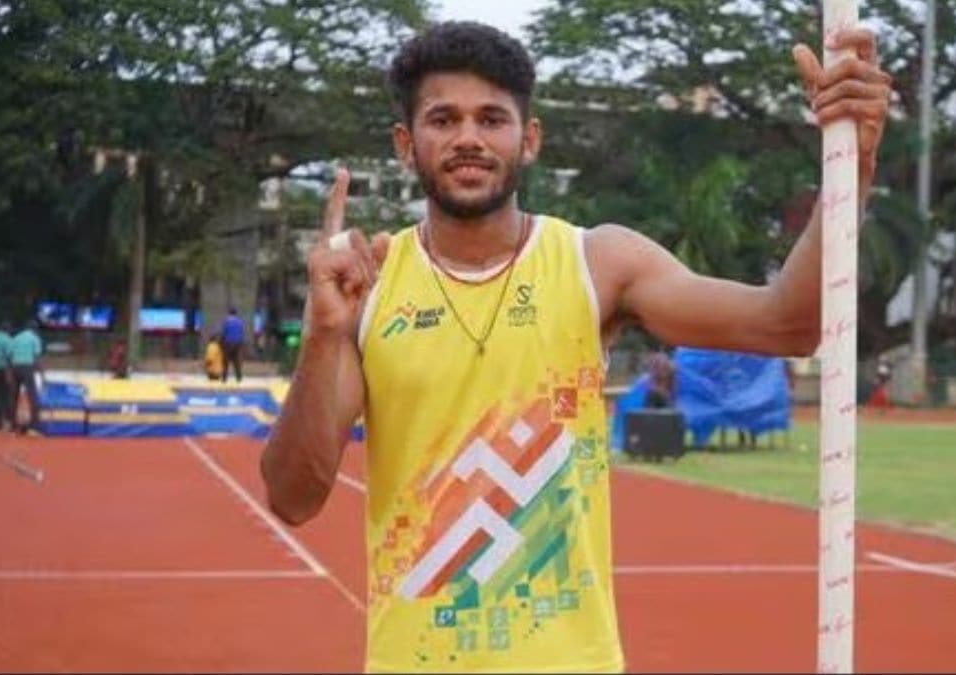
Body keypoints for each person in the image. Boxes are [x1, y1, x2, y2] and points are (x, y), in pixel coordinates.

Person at [260, 21, 890, 674]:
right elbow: (292, 497)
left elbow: (786, 324)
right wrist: (324, 334)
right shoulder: (368, 286)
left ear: (528, 139)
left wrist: (855, 167)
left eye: (491, 118)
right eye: (443, 119)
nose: (469, 138)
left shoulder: (597, 262)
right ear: (404, 143)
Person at [8, 318, 44, 434]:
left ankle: (12, 423)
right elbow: (37, 357)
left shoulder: (16, 338)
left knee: (13, 396)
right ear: (34, 329)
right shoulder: (34, 338)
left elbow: (9, 356)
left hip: (14, 368)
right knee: (32, 396)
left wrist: (9, 372)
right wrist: (42, 373)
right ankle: (34, 424)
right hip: (27, 368)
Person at [219, 308, 245, 383]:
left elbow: (224, 333)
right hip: (237, 343)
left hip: (228, 343)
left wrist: (221, 343)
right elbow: (241, 332)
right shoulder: (240, 322)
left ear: (229, 313)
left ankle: (224, 378)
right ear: (236, 313)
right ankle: (239, 378)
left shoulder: (227, 321)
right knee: (236, 361)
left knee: (226, 361)